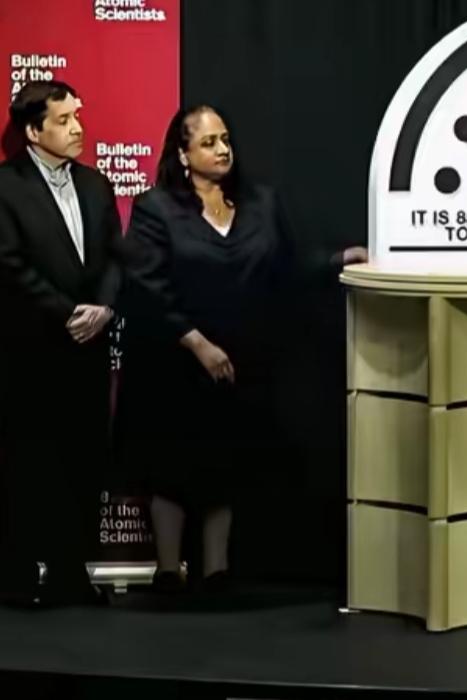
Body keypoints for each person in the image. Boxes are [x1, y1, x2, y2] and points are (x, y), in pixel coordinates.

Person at [115, 104, 366, 595]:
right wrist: (197, 343)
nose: (222, 149)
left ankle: (216, 572)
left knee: (226, 463)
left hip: (241, 361)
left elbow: (287, 267)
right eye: (208, 142)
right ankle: (168, 572)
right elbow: (145, 284)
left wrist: (338, 259)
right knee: (170, 466)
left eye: (225, 139)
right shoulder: (156, 208)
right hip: (175, 362)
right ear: (183, 154)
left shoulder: (260, 203)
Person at [0, 81, 122, 606]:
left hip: (87, 355)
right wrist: (67, 312)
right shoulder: (5, 187)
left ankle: (73, 573)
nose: (78, 128)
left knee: (83, 464)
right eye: (65, 119)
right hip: (29, 354)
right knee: (27, 466)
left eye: (78, 116)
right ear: (34, 130)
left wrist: (104, 309)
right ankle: (19, 577)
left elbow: (116, 257)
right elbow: (8, 265)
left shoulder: (96, 185)